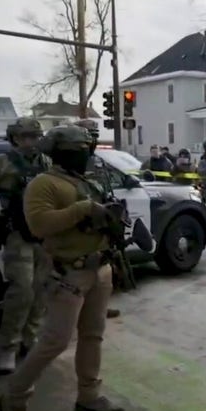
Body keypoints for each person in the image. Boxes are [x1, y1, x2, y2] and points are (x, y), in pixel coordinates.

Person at [0, 125, 123, 411]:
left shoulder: (86, 180)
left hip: (99, 269)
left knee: (93, 335)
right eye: (81, 150)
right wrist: (83, 209)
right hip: (68, 272)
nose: (87, 155)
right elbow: (39, 225)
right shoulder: (44, 184)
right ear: (64, 152)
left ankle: (89, 396)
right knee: (55, 340)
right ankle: (14, 397)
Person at [0, 118, 52, 375]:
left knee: (41, 288)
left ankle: (30, 337)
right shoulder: (0, 163)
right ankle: (8, 348)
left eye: (34, 137)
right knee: (22, 291)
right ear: (14, 138)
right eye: (24, 137)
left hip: (44, 235)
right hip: (18, 234)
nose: (30, 142)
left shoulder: (47, 163)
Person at [72, 119, 121, 320]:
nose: (92, 138)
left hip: (102, 218)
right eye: (88, 133)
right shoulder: (74, 159)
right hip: (83, 219)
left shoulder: (97, 159)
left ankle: (100, 305)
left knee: (105, 268)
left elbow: (105, 185)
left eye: (94, 134)